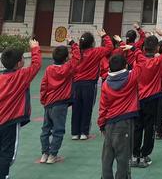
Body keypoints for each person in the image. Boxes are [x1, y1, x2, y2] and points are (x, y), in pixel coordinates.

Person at [98, 48, 146, 179]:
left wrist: (102, 124)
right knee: (123, 159)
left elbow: (103, 107)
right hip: (125, 123)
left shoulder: (106, 84)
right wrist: (135, 49)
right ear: (125, 66)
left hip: (109, 123)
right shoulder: (131, 77)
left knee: (107, 158)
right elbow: (142, 63)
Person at [0, 39, 41, 179]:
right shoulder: (21, 76)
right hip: (10, 122)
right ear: (19, 63)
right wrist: (35, 48)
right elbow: (36, 65)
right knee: (8, 153)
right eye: (23, 59)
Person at [39, 34, 80, 164]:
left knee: (46, 129)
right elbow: (78, 57)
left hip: (49, 103)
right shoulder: (67, 68)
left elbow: (43, 85)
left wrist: (43, 99)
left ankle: (44, 153)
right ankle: (53, 155)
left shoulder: (49, 69)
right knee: (58, 130)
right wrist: (72, 42)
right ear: (66, 58)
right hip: (60, 104)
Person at [133, 33, 162, 168]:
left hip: (138, 98)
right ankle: (144, 155)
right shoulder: (158, 61)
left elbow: (136, 50)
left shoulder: (138, 59)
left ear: (144, 48)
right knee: (150, 127)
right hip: (153, 98)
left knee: (137, 127)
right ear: (156, 48)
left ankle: (134, 155)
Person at [72, 28, 113, 140]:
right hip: (89, 84)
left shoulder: (77, 52)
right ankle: (84, 132)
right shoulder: (96, 52)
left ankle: (75, 133)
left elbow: (74, 47)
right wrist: (104, 36)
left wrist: (72, 42)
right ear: (92, 43)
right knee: (87, 108)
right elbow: (110, 48)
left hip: (76, 84)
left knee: (76, 108)